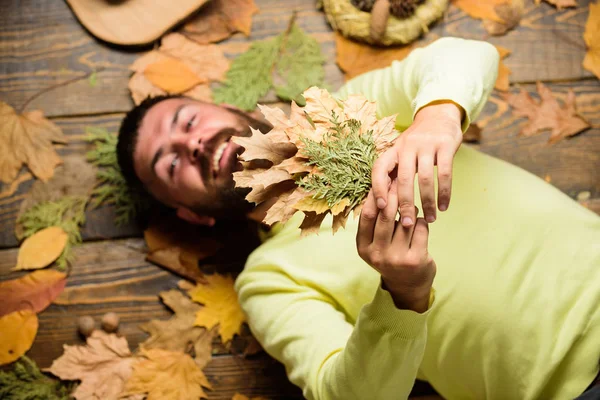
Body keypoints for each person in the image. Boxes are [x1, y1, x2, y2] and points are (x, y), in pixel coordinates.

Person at [117, 37, 600, 399]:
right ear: (191, 215)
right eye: (171, 162)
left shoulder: (348, 113)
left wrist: (437, 115)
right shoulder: (269, 283)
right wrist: (402, 296)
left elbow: (469, 54)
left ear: (219, 105)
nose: (192, 143)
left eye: (187, 121)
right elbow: (346, 395)